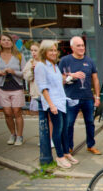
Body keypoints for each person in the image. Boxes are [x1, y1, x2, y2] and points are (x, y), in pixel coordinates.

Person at [34, 40, 79, 168]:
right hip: (53, 103)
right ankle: (59, 157)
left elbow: (59, 83)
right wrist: (51, 104)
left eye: (55, 50)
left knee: (65, 129)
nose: (54, 52)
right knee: (57, 130)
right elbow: (43, 87)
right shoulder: (41, 66)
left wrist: (70, 77)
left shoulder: (54, 65)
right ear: (44, 51)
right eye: (51, 50)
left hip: (61, 100)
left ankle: (66, 153)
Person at [59, 36, 102, 155]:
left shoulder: (89, 61)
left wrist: (97, 97)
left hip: (87, 97)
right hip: (71, 97)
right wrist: (72, 76)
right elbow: (59, 79)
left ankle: (91, 145)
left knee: (90, 123)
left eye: (83, 45)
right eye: (78, 45)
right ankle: (69, 147)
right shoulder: (65, 60)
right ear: (72, 47)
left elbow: (95, 79)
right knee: (69, 124)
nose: (82, 48)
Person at [0, 33, 26, 145]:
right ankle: (12, 134)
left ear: (12, 42)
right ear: (0, 42)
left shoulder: (19, 55)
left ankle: (19, 136)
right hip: (2, 87)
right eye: (4, 40)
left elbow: (24, 73)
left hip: (16, 87)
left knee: (17, 111)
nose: (6, 42)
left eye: (8, 40)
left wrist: (14, 72)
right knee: (7, 113)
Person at [23, 42, 55, 148]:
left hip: (47, 94)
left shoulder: (46, 62)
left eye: (35, 50)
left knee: (50, 118)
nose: (33, 53)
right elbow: (26, 77)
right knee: (42, 118)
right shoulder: (30, 62)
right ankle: (44, 138)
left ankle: (50, 139)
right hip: (36, 94)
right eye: (31, 50)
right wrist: (33, 70)